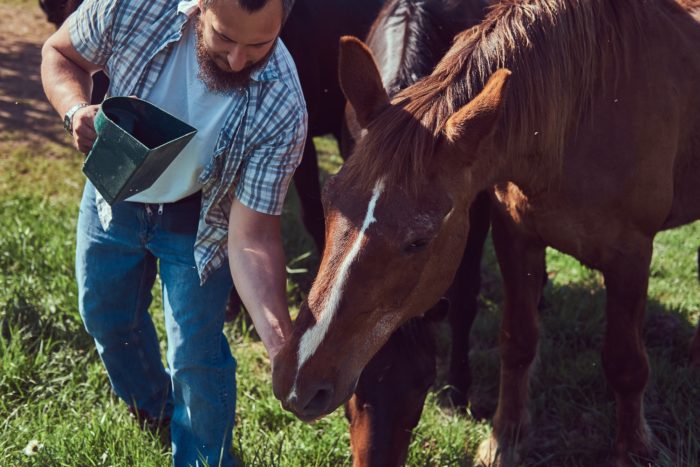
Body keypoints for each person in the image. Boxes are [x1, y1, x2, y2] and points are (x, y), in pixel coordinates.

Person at [40, 0, 306, 464]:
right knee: (104, 315)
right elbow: (61, 54)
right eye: (224, 38)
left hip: (201, 217)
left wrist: (282, 345)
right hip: (115, 191)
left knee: (195, 356)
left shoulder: (284, 103)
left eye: (260, 44)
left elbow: (252, 237)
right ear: (199, 5)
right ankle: (155, 408)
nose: (239, 60)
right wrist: (75, 110)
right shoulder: (131, 6)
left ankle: (205, 457)